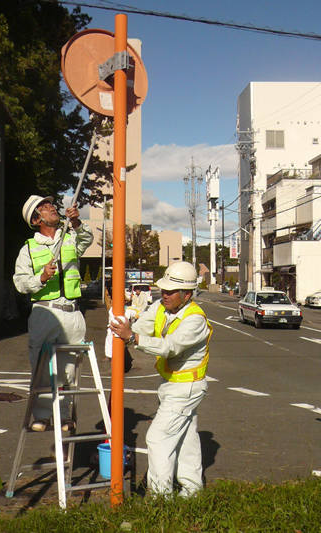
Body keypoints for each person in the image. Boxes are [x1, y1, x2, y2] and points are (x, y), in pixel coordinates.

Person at [109, 261, 212, 497]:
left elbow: (170, 347)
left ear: (187, 294)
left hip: (186, 387)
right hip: (172, 385)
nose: (164, 294)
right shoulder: (160, 307)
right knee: (186, 440)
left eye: (170, 291)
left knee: (157, 438)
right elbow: (142, 326)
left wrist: (132, 338)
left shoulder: (195, 320)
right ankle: (192, 492)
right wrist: (126, 327)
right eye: (163, 290)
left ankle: (160, 499)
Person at [13, 195, 93, 432]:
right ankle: (42, 415)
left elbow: (86, 239)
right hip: (44, 313)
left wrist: (77, 223)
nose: (51, 208)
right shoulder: (28, 248)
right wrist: (41, 278)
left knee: (69, 370)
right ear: (36, 219)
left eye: (51, 205)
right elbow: (20, 282)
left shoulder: (70, 238)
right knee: (41, 367)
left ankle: (64, 415)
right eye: (44, 207)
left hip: (71, 312)